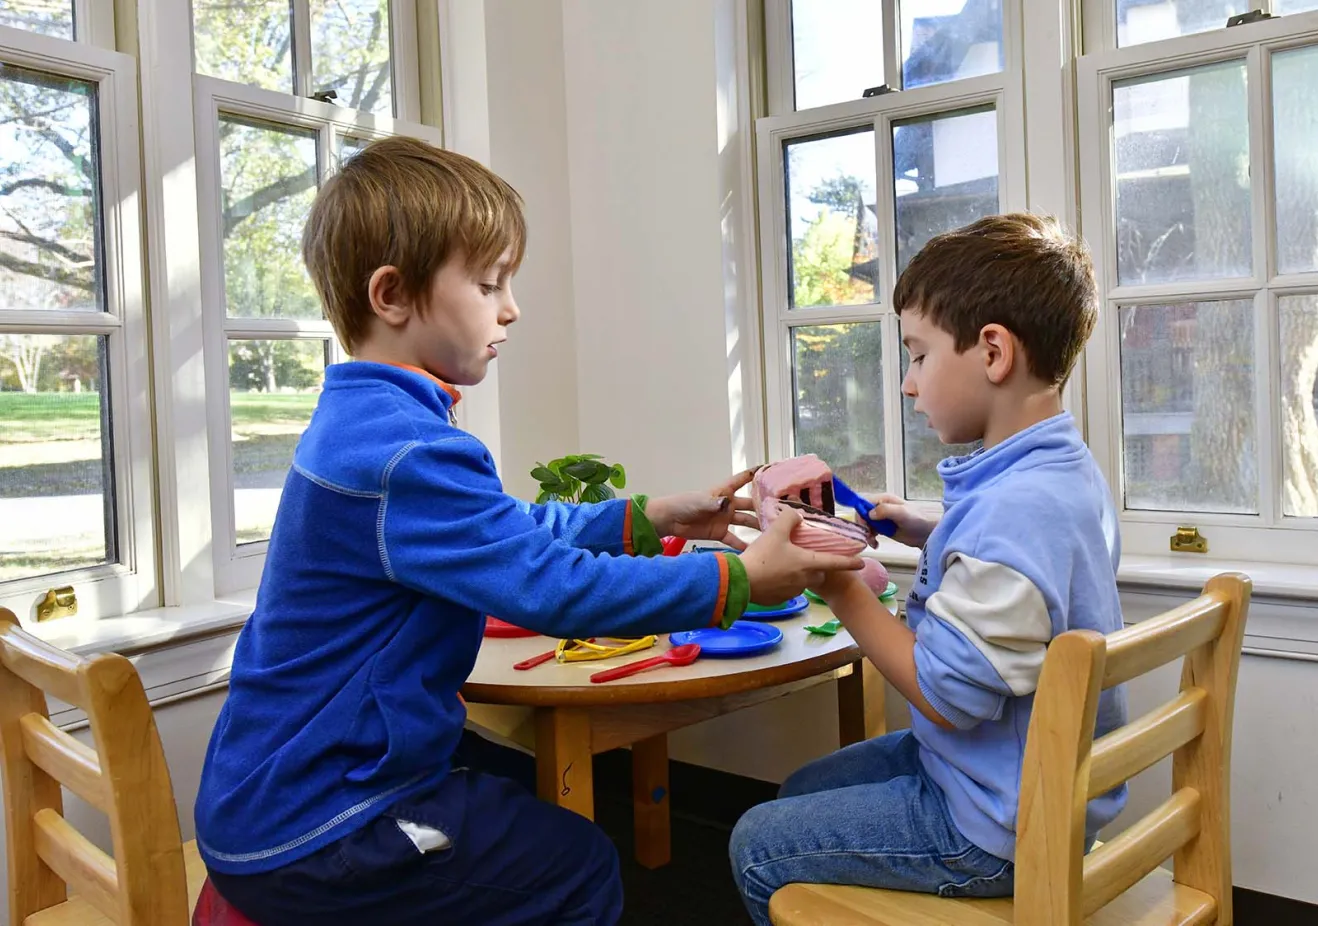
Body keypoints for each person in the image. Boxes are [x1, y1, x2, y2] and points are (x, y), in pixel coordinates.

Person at [194, 135, 862, 926]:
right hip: (323, 817)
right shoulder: (407, 450)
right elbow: (551, 587)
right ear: (391, 295)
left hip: (280, 788)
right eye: (487, 283)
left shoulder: (366, 422)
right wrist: (742, 577)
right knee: (578, 868)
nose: (511, 307)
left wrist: (646, 518)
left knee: (524, 793)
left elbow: (512, 529)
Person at [729, 213, 1129, 925]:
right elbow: (1025, 571)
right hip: (1015, 780)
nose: (910, 385)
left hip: (995, 826)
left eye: (917, 355)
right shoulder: (1058, 473)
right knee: (800, 790)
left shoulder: (1015, 511)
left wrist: (838, 585)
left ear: (993, 352)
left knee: (758, 842)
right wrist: (926, 530)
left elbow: (946, 698)